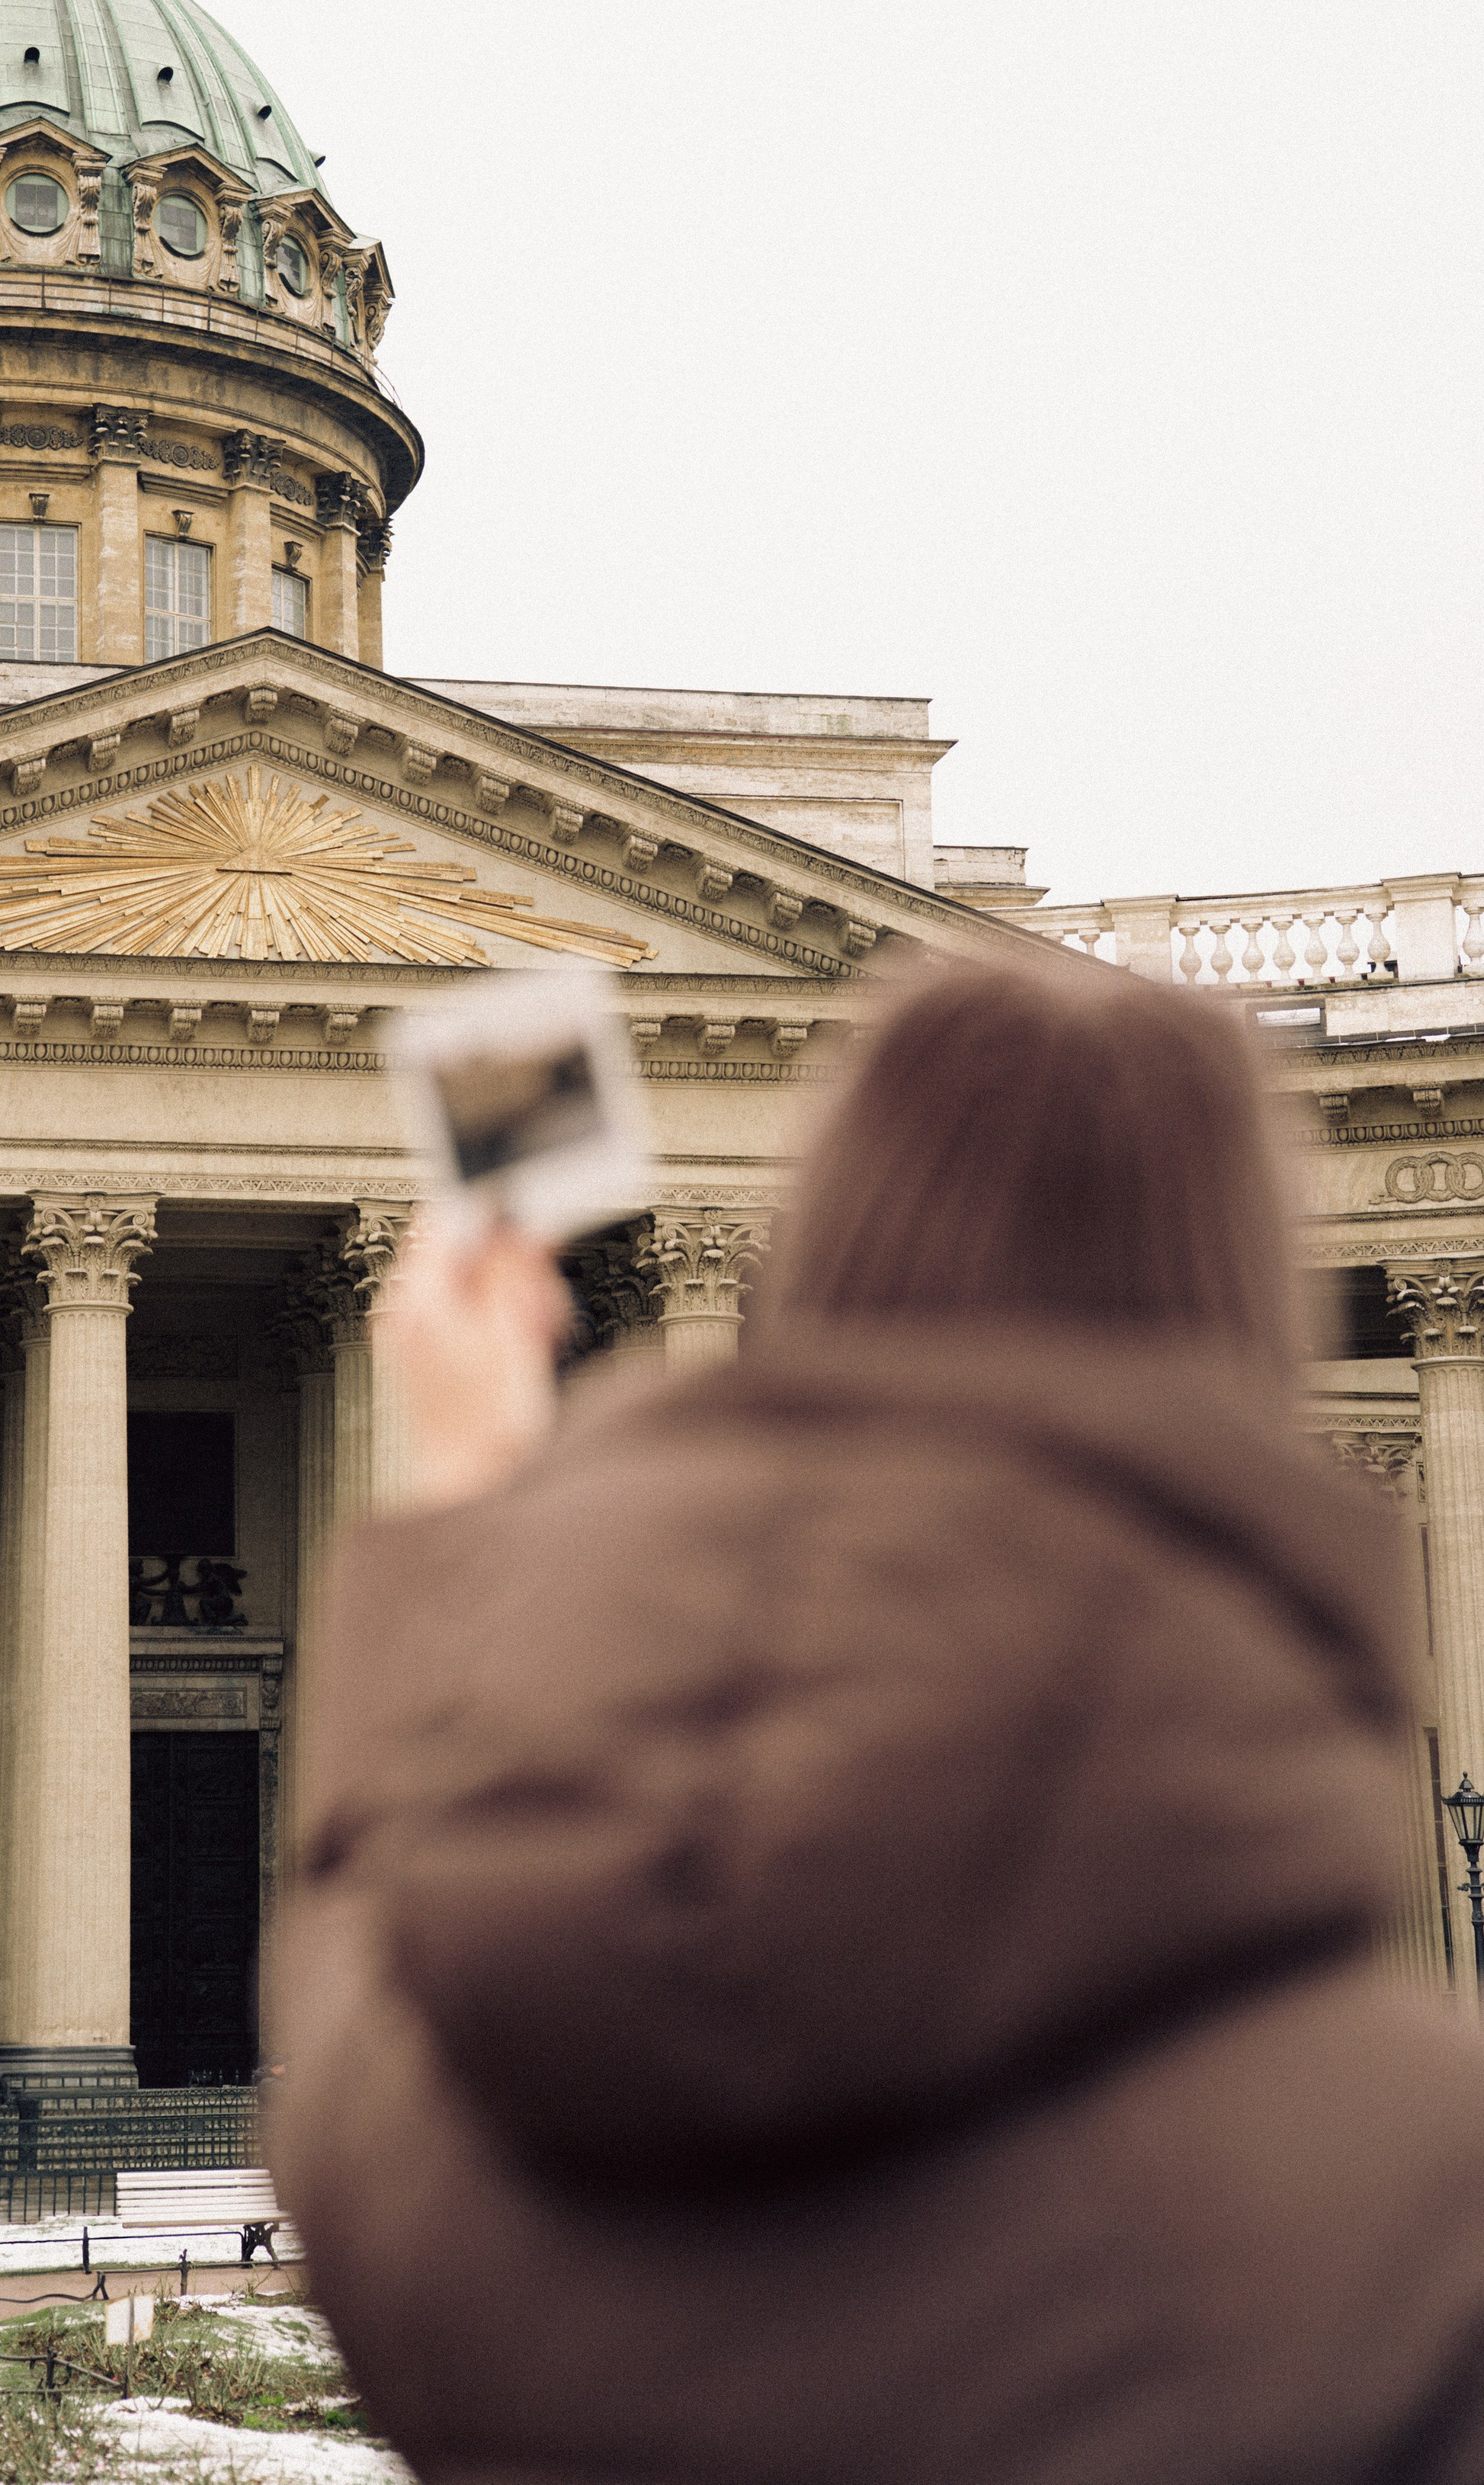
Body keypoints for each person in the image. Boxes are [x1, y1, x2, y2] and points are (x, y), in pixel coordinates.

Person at [267, 957, 1484, 2485]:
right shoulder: (1408, 2190)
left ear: (814, 1278)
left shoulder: (463, 2135)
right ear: (1247, 1332)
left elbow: (356, 1957)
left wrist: (462, 1484)